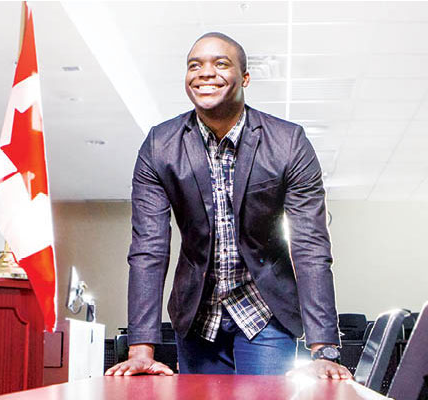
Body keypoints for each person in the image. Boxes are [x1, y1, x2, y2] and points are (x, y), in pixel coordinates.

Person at [105, 32, 352, 379]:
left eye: (220, 64)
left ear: (245, 78)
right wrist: (141, 347)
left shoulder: (288, 142)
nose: (205, 73)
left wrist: (324, 349)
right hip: (196, 314)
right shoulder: (160, 146)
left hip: (264, 309)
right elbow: (149, 247)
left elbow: (309, 244)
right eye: (195, 65)